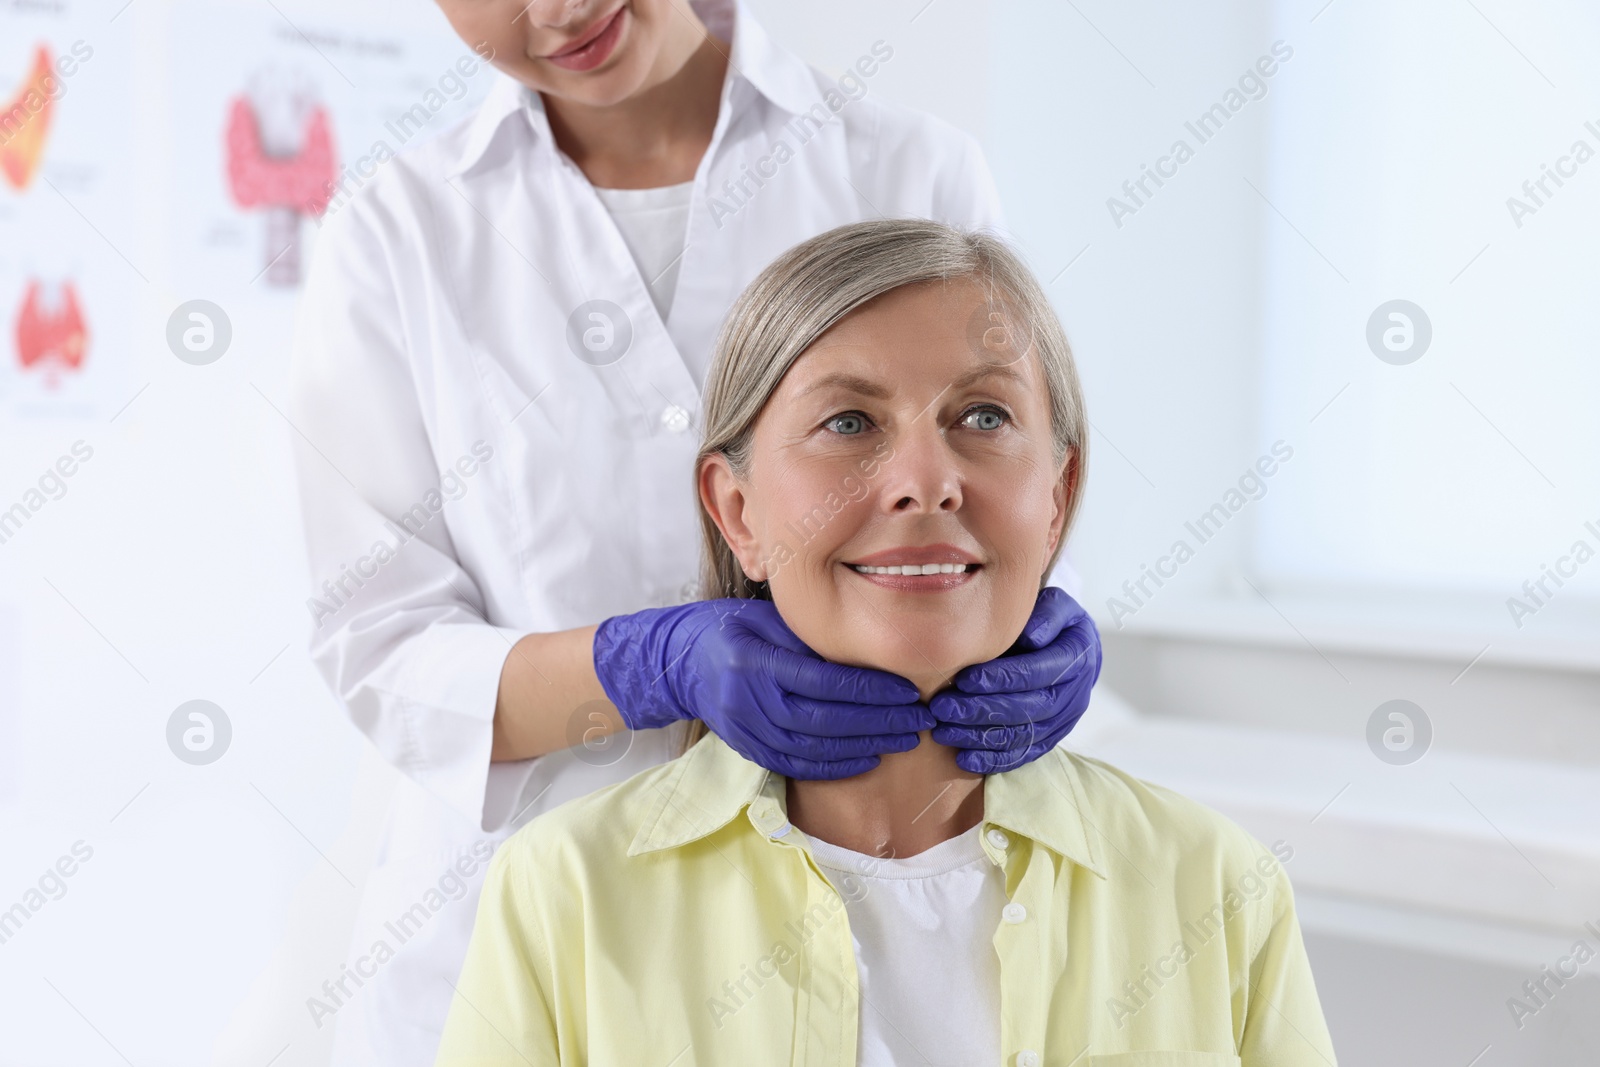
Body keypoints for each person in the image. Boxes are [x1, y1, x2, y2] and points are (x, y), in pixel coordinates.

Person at [289, 2, 1101, 1062]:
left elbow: (1003, 472)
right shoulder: (398, 230)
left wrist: (1049, 621)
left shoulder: (907, 167)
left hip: (872, 930)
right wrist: (644, 666)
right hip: (512, 954)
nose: (560, 11)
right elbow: (378, 640)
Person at [433, 219, 1337, 1067]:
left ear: (1057, 496)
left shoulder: (1217, 888)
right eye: (849, 422)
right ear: (737, 510)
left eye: (984, 416)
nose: (926, 483)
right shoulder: (568, 896)